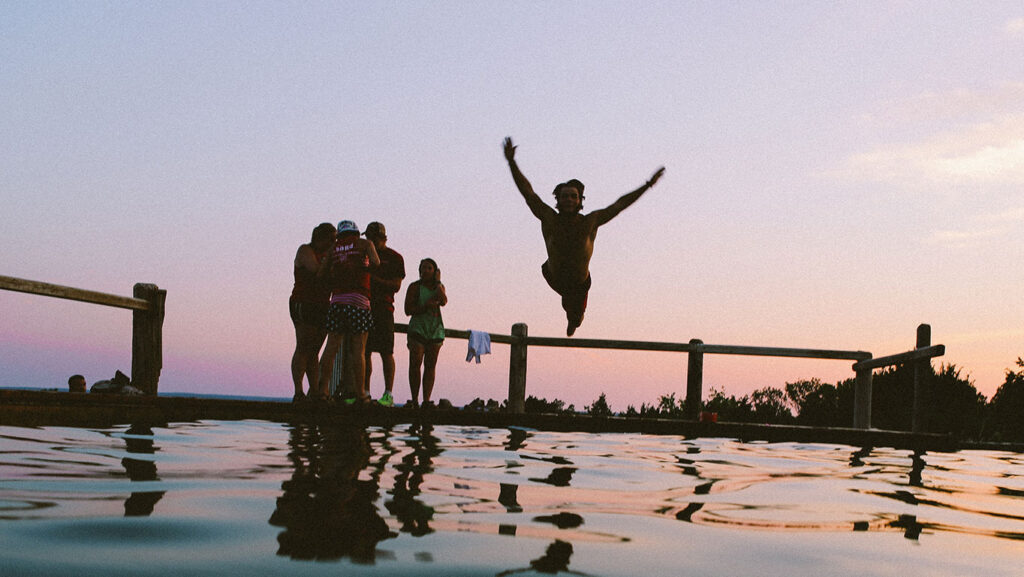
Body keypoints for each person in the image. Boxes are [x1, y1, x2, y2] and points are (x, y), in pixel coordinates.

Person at [503, 136, 664, 336]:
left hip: (579, 285)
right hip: (554, 277)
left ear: (580, 200)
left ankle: (573, 320)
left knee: (576, 317)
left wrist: (647, 185)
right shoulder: (549, 218)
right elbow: (528, 193)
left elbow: (620, 204)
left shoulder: (590, 221)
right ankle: (571, 313)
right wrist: (512, 162)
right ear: (558, 200)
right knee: (567, 302)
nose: (569, 200)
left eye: (573, 196)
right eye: (565, 196)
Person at [315, 220, 380, 404]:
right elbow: (376, 263)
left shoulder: (333, 248)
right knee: (359, 349)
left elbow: (321, 274)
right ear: (356, 231)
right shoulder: (365, 244)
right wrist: (363, 268)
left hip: (337, 300)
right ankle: (360, 394)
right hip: (359, 299)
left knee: (331, 347)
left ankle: (323, 391)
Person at [289, 222, 337, 402]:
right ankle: (299, 391)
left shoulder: (329, 256)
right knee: (303, 346)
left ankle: (315, 391)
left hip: (323, 304)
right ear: (321, 238)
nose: (334, 243)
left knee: (315, 349)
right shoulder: (305, 251)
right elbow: (316, 271)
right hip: (304, 302)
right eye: (331, 239)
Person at [363, 222, 405, 407]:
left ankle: (388, 394)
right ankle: (364, 392)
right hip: (364, 307)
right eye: (368, 237)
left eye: (372, 238)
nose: (369, 241)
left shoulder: (395, 258)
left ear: (382, 238)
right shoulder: (363, 255)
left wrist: (373, 280)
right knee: (364, 351)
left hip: (384, 309)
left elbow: (396, 286)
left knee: (386, 352)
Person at [405, 258, 446, 408]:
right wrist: (425, 307)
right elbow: (408, 310)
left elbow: (444, 301)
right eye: (423, 268)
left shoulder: (439, 287)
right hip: (418, 329)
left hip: (435, 330)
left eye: (429, 268)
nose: (425, 271)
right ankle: (414, 399)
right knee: (415, 363)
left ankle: (426, 400)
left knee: (430, 365)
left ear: (435, 271)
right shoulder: (414, 287)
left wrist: (438, 282)